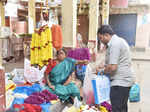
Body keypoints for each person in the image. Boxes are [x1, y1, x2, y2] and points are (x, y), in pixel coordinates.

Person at [97, 25, 135, 112]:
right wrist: (104, 66)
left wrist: (101, 71)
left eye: (101, 38)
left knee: (117, 108)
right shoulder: (118, 41)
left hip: (120, 81)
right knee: (122, 107)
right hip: (125, 80)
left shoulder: (114, 44)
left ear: (106, 35)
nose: (101, 41)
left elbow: (113, 67)